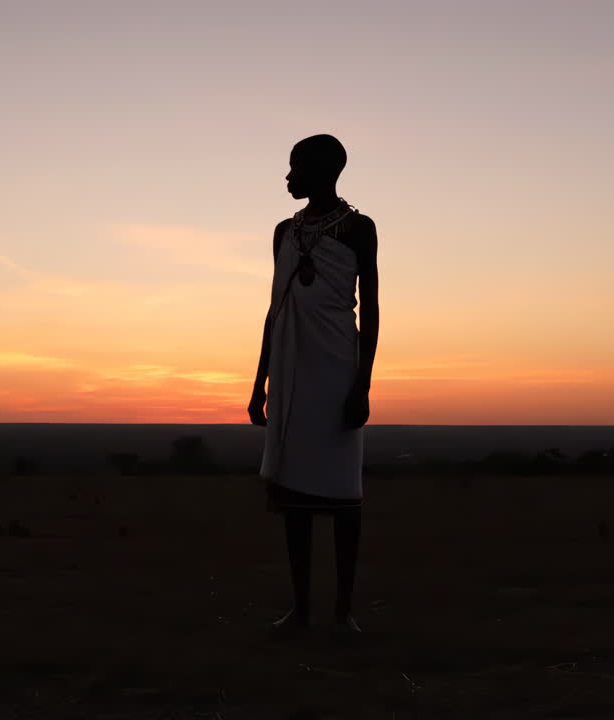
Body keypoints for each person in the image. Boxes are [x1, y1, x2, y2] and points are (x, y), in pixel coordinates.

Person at [248, 134, 379, 634]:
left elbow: (371, 309)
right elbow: (274, 308)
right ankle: (301, 611)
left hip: (337, 371)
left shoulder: (359, 229)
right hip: (291, 372)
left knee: (344, 498)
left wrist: (362, 385)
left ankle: (343, 615)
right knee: (295, 498)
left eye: (293, 169)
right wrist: (259, 381)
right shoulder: (284, 231)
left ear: (322, 172)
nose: (286, 178)